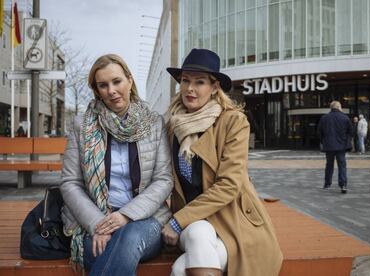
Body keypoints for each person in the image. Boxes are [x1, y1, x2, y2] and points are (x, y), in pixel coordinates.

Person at [162, 48, 283, 276]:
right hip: (193, 223)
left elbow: (229, 184)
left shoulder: (233, 122)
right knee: (199, 230)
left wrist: (177, 221)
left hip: (232, 222)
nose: (190, 88)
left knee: (180, 270)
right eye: (185, 81)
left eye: (199, 82)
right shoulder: (171, 126)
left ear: (215, 87)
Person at [60, 54, 173, 275]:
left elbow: (164, 179)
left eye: (117, 81)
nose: (111, 90)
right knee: (104, 251)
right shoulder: (81, 125)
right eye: (103, 85)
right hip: (93, 219)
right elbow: (70, 183)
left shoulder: (154, 122)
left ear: (130, 81)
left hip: (144, 220)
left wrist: (124, 216)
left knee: (126, 239)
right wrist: (98, 224)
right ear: (97, 90)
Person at [317, 101, 353, 193]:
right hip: (341, 146)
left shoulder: (324, 118)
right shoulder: (345, 118)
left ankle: (327, 183)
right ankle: (343, 184)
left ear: (331, 107)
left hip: (329, 146)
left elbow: (319, 132)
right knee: (342, 165)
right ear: (338, 107)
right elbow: (350, 132)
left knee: (329, 165)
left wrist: (323, 142)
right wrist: (347, 142)